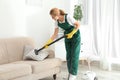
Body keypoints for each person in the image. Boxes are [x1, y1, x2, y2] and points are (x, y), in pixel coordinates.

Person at [45, 8, 81, 80]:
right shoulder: (56, 21)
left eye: (52, 16)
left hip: (75, 36)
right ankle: (70, 73)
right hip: (67, 37)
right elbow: (55, 34)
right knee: (68, 56)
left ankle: (73, 75)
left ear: (57, 15)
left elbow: (78, 24)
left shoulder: (68, 17)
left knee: (74, 55)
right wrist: (48, 42)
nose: (52, 18)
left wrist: (72, 32)